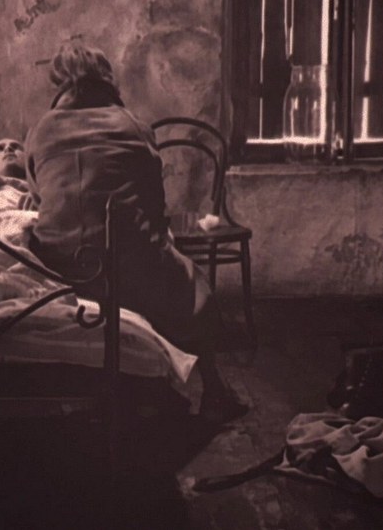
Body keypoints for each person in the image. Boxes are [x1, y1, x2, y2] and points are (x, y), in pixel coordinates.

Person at [24, 41, 247, 422]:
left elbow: (37, 195)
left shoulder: (40, 131)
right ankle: (214, 389)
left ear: (59, 84)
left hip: (63, 271)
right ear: (106, 79)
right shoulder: (132, 126)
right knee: (193, 283)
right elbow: (154, 207)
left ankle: (150, 388)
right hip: (129, 271)